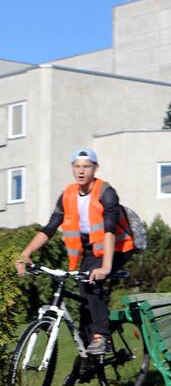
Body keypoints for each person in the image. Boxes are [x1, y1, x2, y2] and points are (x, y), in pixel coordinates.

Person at [16, 149, 136, 369]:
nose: (81, 171)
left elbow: (109, 231)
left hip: (117, 247)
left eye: (87, 166)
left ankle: (102, 337)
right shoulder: (68, 195)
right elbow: (50, 227)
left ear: (95, 168)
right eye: (77, 166)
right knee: (83, 298)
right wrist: (26, 253)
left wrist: (106, 267)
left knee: (92, 283)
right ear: (72, 168)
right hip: (92, 249)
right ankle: (87, 360)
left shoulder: (106, 192)